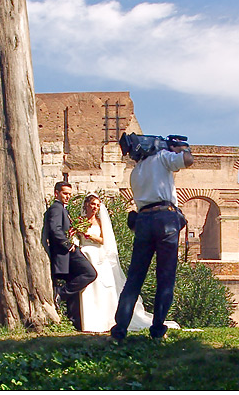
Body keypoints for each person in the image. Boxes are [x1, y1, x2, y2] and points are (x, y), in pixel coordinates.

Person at [110, 142, 194, 342]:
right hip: (165, 218)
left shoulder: (135, 171)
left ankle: (120, 330)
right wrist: (180, 149)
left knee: (134, 279)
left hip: (143, 221)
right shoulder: (162, 157)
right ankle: (157, 331)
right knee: (165, 278)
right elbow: (188, 160)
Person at [76, 193, 179, 333]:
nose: (95, 207)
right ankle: (87, 322)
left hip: (97, 255)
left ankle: (103, 321)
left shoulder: (100, 223)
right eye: (93, 204)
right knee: (88, 289)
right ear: (86, 204)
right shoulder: (79, 221)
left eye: (97, 205)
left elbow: (104, 240)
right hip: (84, 255)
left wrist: (91, 237)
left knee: (102, 288)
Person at [43, 181, 97, 330]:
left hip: (67, 252)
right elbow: (55, 230)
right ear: (56, 193)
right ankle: (61, 293)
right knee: (90, 273)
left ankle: (74, 321)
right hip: (66, 252)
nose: (68, 197)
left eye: (69, 195)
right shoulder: (56, 208)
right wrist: (69, 245)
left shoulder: (62, 209)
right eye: (65, 193)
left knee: (75, 282)